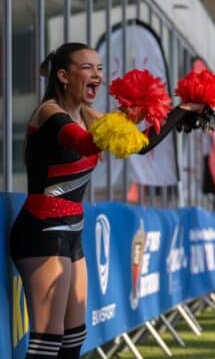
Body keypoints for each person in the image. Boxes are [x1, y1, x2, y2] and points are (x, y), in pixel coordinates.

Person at [9, 43, 202, 359]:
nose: (97, 75)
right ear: (63, 76)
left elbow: (139, 144)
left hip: (71, 232)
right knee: (48, 339)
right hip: (42, 231)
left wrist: (181, 110)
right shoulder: (48, 112)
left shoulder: (87, 113)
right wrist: (125, 116)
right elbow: (86, 143)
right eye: (87, 68)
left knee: (74, 338)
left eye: (99, 68)